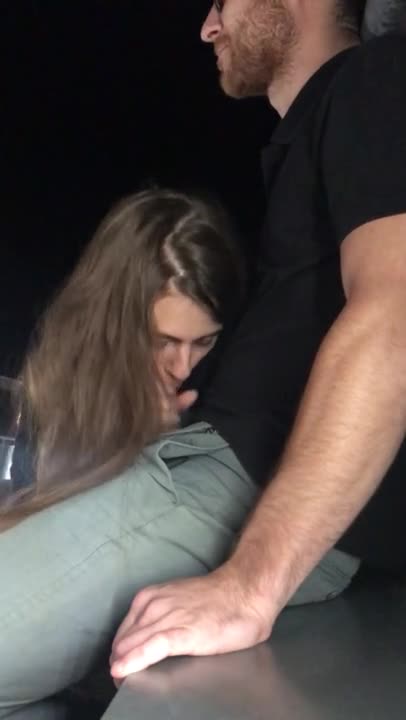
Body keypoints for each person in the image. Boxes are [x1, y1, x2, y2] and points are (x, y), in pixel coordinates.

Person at [109, 0, 406, 680]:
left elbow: (396, 314)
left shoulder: (375, 80)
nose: (208, 27)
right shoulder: (319, 146)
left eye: (222, 2)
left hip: (237, 498)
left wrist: (251, 584)